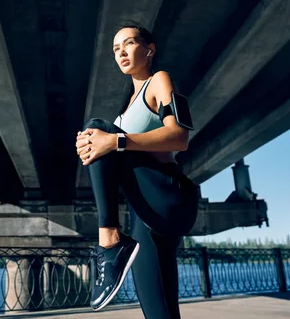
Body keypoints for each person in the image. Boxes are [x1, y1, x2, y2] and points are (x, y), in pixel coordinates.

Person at [75, 23, 199, 318]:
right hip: (143, 212)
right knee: (159, 313)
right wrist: (91, 146)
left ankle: (109, 241)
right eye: (116, 49)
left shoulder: (159, 81)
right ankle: (115, 243)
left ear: (149, 49)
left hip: (168, 192)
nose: (121, 53)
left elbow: (180, 137)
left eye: (128, 44)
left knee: (98, 127)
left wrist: (112, 140)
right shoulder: (124, 110)